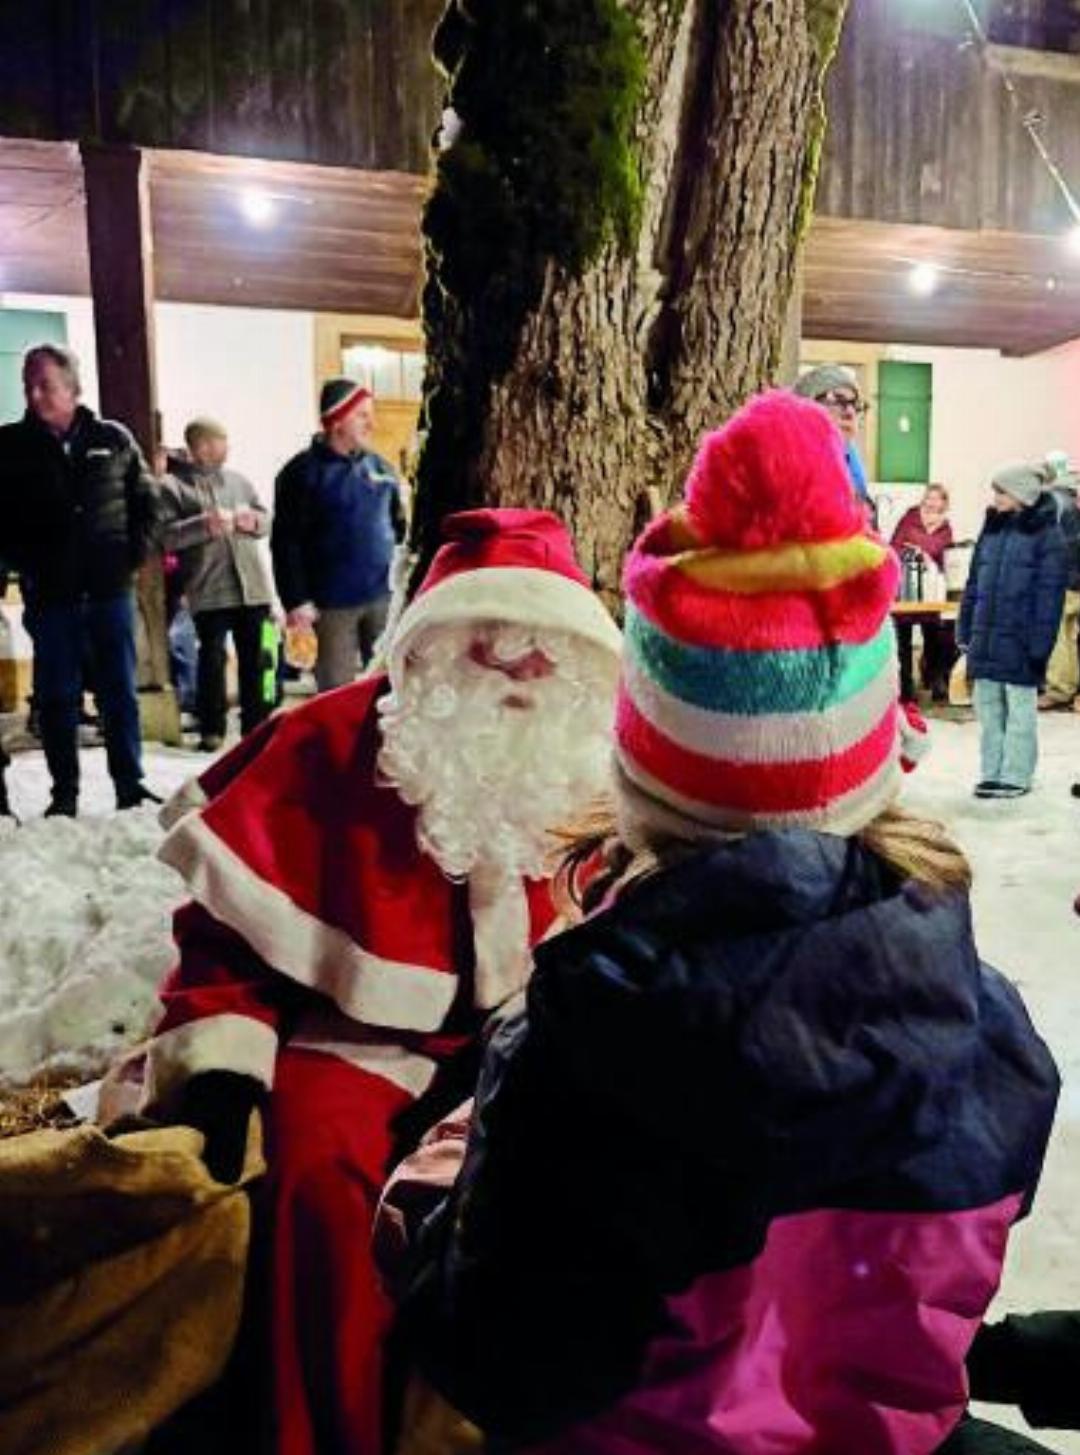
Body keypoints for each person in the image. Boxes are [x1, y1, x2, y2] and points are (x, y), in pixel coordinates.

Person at [388, 393, 1059, 1455]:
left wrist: (431, 1187)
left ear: (641, 782)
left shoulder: (585, 1051)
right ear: (880, 764)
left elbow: (505, 1366)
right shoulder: (990, 1030)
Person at [141, 508, 622, 1455]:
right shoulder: (328, 741)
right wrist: (222, 1060)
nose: (521, 678)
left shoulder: (603, 764)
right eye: (493, 651)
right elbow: (224, 934)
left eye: (544, 658)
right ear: (433, 648)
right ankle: (329, 1432)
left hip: (543, 1037)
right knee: (320, 1178)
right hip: (354, 1040)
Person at [0, 344, 160, 816]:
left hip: (110, 591)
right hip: (51, 597)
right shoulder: (9, 448)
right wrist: (23, 564)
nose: (35, 393)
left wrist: (131, 558)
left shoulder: (114, 439)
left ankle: (130, 785)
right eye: (29, 384)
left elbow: (147, 502)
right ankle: (63, 793)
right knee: (56, 698)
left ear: (72, 386)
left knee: (119, 693)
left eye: (46, 384)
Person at [271, 380, 407, 692]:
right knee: (336, 691)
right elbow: (286, 542)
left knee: (389, 687)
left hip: (382, 597)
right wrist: (296, 601)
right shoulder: (299, 474)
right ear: (337, 421)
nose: (371, 423)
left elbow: (399, 528)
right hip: (330, 604)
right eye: (361, 415)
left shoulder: (381, 468)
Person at [158, 418, 274, 752]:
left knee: (258, 658)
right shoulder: (173, 486)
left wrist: (254, 522)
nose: (219, 448)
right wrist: (203, 525)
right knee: (211, 661)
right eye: (211, 442)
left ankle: (258, 724)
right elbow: (165, 536)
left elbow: (265, 519)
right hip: (208, 588)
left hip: (252, 586)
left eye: (222, 441)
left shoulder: (238, 481)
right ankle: (212, 727)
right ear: (196, 448)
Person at [958, 463, 1067, 800]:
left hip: (1021, 641)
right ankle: (992, 771)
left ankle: (1017, 775)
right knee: (989, 710)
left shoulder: (1048, 536)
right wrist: (965, 627)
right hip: (986, 638)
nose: (995, 498)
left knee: (1020, 713)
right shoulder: (991, 531)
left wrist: (1039, 647)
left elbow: (1050, 596)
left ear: (1022, 495)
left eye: (1002, 491)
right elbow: (973, 583)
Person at [891, 483, 958, 701]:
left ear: (944, 503)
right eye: (928, 497)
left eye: (936, 498)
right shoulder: (909, 519)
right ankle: (905, 688)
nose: (931, 502)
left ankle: (936, 682)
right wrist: (917, 553)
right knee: (903, 641)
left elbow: (948, 558)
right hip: (906, 588)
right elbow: (894, 547)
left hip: (930, 591)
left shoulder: (946, 529)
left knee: (935, 639)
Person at [793, 362, 875, 520]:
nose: (850, 413)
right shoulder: (783, 471)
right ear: (807, 406)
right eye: (838, 401)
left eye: (856, 405)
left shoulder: (856, 476)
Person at [1040, 454, 1080, 712]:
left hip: (1064, 580)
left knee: (1060, 636)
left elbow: (1053, 546)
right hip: (1075, 577)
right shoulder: (1072, 504)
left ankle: (1059, 689)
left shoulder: (1055, 503)